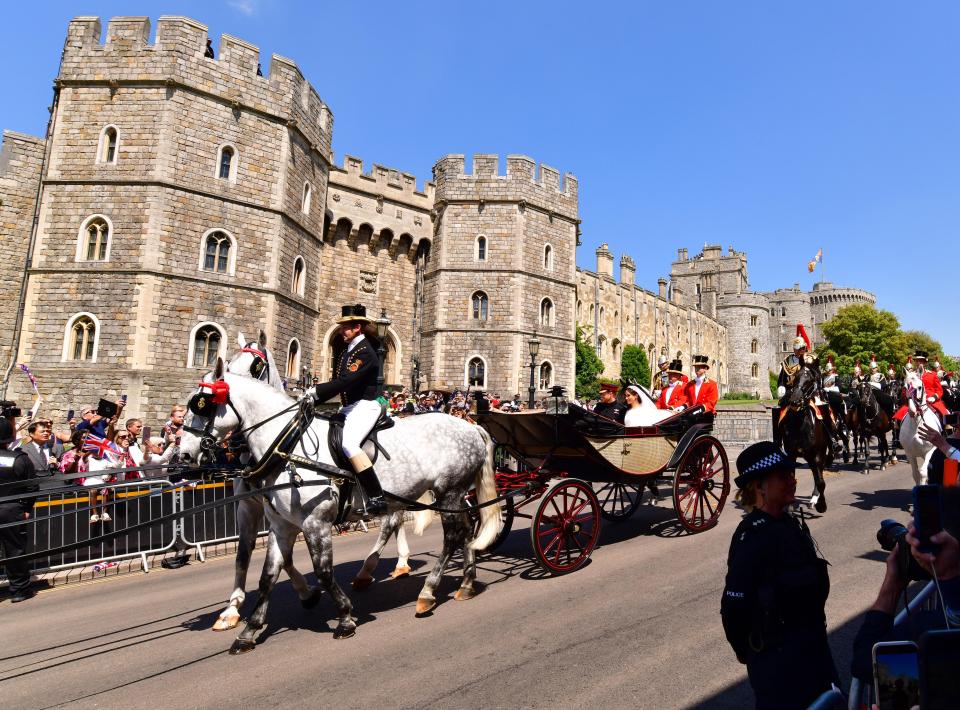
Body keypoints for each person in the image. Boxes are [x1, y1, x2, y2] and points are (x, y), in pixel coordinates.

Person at [721, 441, 838, 709]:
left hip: (813, 650)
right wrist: (749, 652)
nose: (793, 481)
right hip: (779, 663)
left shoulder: (789, 524)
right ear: (759, 487)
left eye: (792, 474)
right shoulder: (751, 536)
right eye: (783, 476)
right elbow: (733, 606)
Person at [309, 304, 387, 516]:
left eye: (347, 327)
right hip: (350, 405)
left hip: (366, 405)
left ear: (358, 328)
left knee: (349, 444)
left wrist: (316, 392)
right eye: (343, 327)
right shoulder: (348, 350)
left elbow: (345, 381)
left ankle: (376, 496)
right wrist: (315, 401)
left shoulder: (366, 352)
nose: (342, 330)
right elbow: (341, 383)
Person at [0, 405, 38, 602]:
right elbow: (32, 487)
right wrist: (26, 508)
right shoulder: (20, 458)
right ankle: (19, 590)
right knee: (15, 549)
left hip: (11, 507)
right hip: (12, 509)